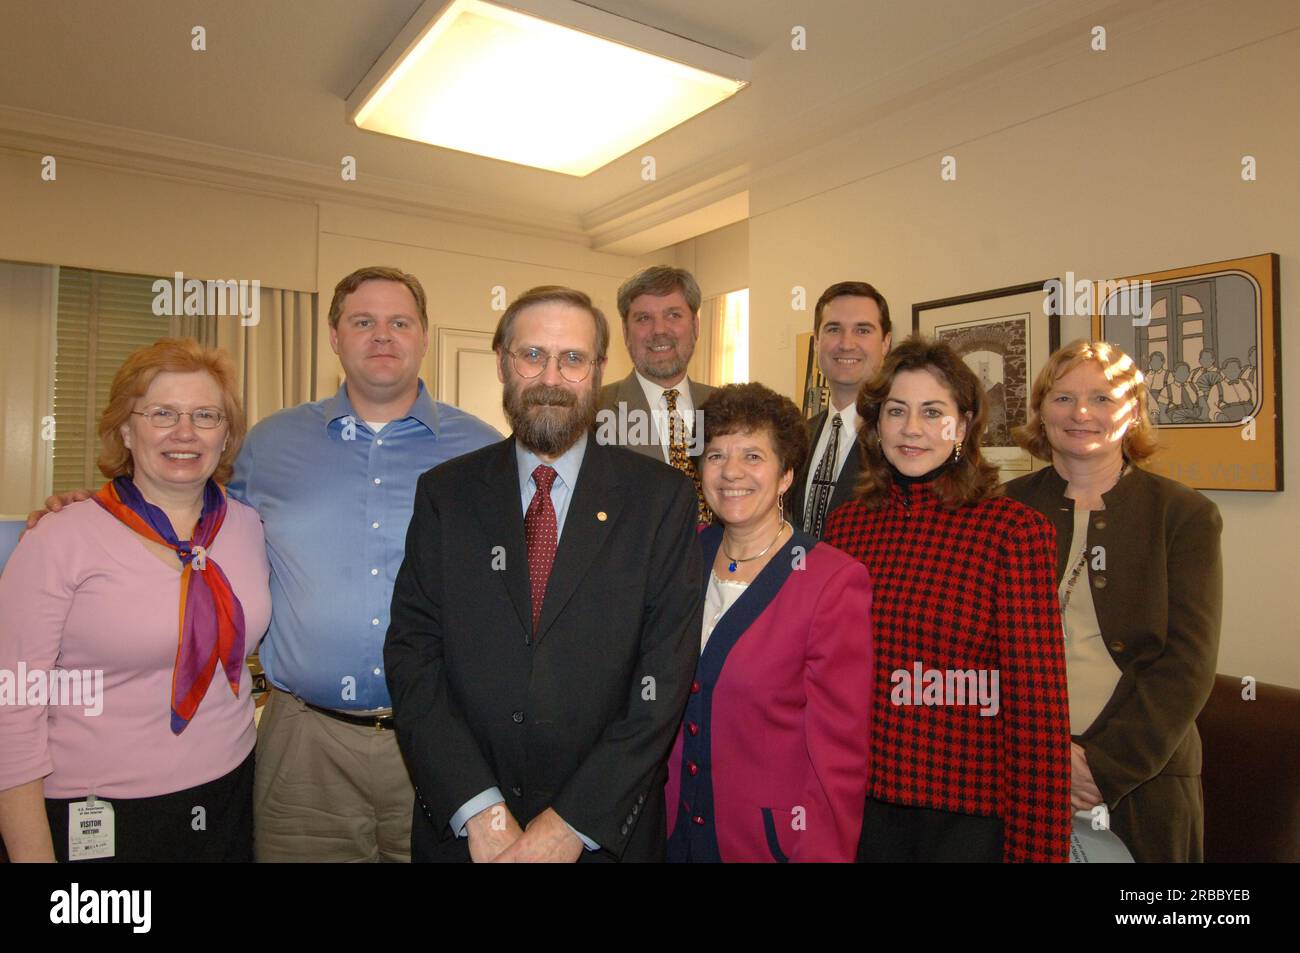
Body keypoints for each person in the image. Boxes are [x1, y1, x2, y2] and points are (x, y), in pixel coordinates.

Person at [31, 266, 501, 862]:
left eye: (399, 322)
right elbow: (191, 515)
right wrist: (92, 506)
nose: (382, 336)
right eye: (363, 321)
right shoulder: (272, 443)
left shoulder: (483, 449)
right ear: (335, 337)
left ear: (424, 337)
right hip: (305, 742)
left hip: (444, 734)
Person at [385, 285, 702, 863]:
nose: (551, 377)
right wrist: (480, 810)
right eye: (532, 355)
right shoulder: (446, 494)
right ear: (504, 363)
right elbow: (413, 656)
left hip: (604, 835)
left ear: (600, 369)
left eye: (573, 359)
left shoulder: (661, 500)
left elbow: (663, 681)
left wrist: (569, 826)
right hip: (467, 834)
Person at [0, 339, 271, 862]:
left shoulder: (248, 528)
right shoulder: (60, 538)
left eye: (206, 415)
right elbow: (12, 706)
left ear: (227, 435)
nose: (184, 432)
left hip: (229, 794)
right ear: (125, 428)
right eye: (162, 413)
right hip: (97, 810)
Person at [823, 336, 1071, 862]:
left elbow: (1037, 714)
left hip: (964, 819)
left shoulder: (1013, 533)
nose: (912, 429)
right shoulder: (846, 528)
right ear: (876, 425)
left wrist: (1036, 852)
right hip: (856, 805)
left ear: (963, 425)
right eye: (896, 411)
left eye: (932, 412)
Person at [1004, 339, 1222, 862]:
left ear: (1133, 412)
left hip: (1144, 778)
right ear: (1040, 411)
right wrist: (1040, 759)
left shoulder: (1183, 515)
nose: (1081, 414)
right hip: (1021, 773)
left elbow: (1188, 665)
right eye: (1063, 399)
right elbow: (982, 651)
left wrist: (1102, 768)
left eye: (1102, 398)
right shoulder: (1004, 509)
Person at [665, 384, 873, 862]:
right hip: (669, 835)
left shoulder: (832, 582)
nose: (731, 472)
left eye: (753, 456)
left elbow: (837, 761)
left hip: (766, 844)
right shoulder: (680, 558)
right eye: (716, 455)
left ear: (786, 475)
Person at [597, 265, 716, 522]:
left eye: (673, 315)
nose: (659, 330)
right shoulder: (590, 412)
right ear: (626, 332)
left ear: (695, 325)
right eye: (643, 318)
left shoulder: (728, 407)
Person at [788, 281, 893, 538]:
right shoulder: (799, 435)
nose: (846, 344)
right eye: (834, 329)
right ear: (817, 342)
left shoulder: (901, 439)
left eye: (863, 330)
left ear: (885, 343)